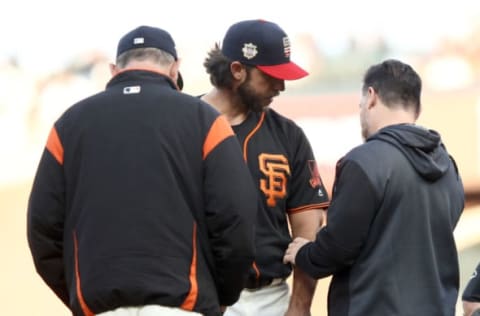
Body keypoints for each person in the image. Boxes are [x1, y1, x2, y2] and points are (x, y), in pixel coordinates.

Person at [27, 25, 258, 316]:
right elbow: (235, 217)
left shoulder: (68, 124)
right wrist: (222, 295)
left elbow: (42, 230)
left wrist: (80, 295)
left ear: (114, 69)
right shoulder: (206, 120)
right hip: (183, 304)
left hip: (99, 305)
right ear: (175, 69)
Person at [284, 59, 465, 315]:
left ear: (371, 97)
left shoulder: (364, 161)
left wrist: (304, 253)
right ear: (417, 106)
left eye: (360, 106)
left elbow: (338, 248)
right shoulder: (448, 165)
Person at [202, 19, 330, 316]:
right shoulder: (183, 126)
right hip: (199, 297)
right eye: (270, 75)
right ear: (237, 70)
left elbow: (307, 230)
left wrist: (299, 306)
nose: (281, 85)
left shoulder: (288, 135)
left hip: (269, 299)